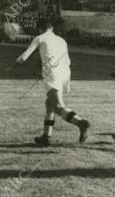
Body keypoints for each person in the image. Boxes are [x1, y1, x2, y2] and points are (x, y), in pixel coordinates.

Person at [15, 18, 90, 146]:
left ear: (39, 29)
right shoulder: (61, 40)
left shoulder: (39, 38)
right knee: (49, 105)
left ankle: (81, 123)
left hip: (52, 75)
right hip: (65, 73)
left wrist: (14, 64)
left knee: (58, 107)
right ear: (52, 28)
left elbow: (23, 57)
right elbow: (68, 61)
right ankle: (46, 136)